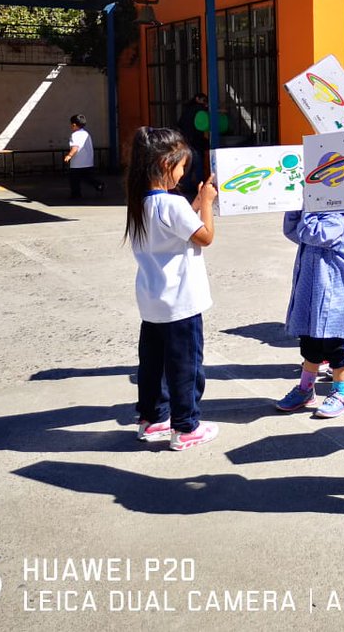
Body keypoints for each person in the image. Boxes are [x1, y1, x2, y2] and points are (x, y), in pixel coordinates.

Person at [125, 126, 219, 451]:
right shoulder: (173, 205)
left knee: (153, 366)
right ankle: (186, 426)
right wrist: (207, 204)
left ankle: (152, 419)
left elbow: (174, 230)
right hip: (182, 302)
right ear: (166, 164)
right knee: (186, 367)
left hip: (152, 302)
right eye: (181, 166)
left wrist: (194, 203)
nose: (183, 173)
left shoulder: (140, 203)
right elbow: (205, 237)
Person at [274, 210, 344, 418]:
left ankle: (341, 394)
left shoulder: (339, 220)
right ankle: (305, 389)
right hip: (311, 297)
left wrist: (308, 210)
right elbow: (292, 231)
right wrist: (295, 208)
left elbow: (313, 234)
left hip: (335, 299)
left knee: (337, 348)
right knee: (310, 346)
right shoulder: (314, 217)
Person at [176, 94, 210, 200]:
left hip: (185, 141)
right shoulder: (200, 110)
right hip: (195, 142)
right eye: (204, 100)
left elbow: (180, 124)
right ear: (197, 99)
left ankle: (185, 188)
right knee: (198, 166)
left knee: (188, 166)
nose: (205, 103)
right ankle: (200, 187)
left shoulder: (186, 110)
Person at [64, 113, 104, 199]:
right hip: (87, 161)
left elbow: (75, 147)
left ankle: (76, 194)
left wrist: (69, 155)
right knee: (87, 177)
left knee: (74, 179)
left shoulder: (75, 135)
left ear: (74, 125)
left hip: (77, 163)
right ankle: (98, 184)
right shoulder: (86, 134)